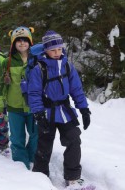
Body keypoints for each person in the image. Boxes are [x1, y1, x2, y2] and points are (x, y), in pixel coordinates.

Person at [28, 30, 91, 188]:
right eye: (52, 50)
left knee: (74, 140)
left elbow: (76, 89)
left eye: (59, 49)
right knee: (44, 145)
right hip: (47, 112)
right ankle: (40, 178)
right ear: (46, 50)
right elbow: (34, 93)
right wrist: (38, 113)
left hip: (65, 111)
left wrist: (84, 109)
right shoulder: (39, 69)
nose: (57, 52)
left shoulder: (67, 66)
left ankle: (72, 177)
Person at [0, 26, 38, 170]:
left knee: (36, 135)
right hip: (15, 107)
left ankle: (32, 158)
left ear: (30, 42)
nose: (22, 43)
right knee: (17, 138)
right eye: (18, 40)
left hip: (34, 106)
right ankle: (21, 165)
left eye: (25, 40)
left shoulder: (37, 60)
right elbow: (0, 85)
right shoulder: (7, 62)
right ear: (13, 43)